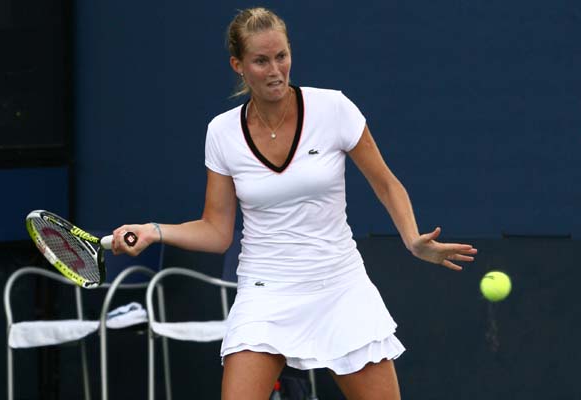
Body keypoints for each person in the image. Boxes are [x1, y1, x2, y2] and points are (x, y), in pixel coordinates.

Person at [112, 7, 477, 400]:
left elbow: (386, 184)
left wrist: (412, 239)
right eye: (261, 61)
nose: (275, 70)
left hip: (339, 285)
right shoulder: (221, 132)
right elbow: (216, 231)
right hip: (265, 290)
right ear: (238, 65)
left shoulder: (333, 108)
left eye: (281, 56)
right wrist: (153, 231)